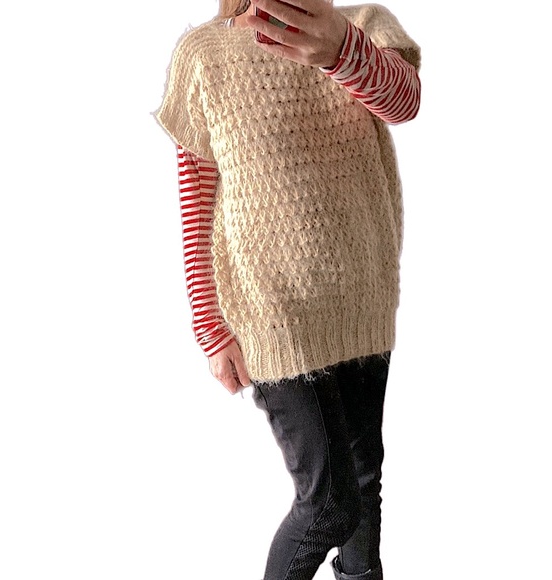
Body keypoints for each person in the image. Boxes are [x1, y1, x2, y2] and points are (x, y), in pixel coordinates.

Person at [152, 0, 421, 578]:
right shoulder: (204, 55)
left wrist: (339, 48)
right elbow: (197, 199)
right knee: (328, 504)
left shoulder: (364, 25)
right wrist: (210, 324)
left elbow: (403, 103)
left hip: (361, 296)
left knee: (365, 477)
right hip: (271, 308)